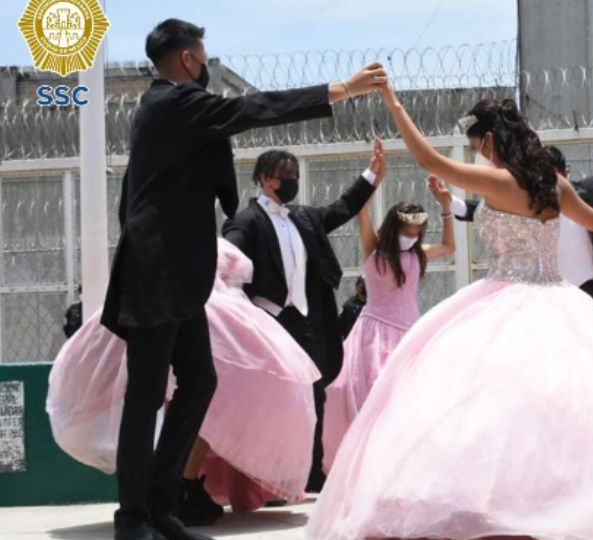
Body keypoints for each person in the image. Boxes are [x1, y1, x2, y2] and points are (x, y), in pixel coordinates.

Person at [306, 89, 593, 539]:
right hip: (558, 298)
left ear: (488, 141)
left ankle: (506, 502)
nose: (474, 153)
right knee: (553, 405)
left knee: (488, 403)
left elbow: (429, 160)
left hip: (506, 295)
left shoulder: (499, 181)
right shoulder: (550, 181)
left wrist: (393, 103)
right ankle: (553, 498)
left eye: (475, 144)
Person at [97, 18, 384, 540]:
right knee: (143, 397)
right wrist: (341, 89)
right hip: (156, 274)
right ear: (188, 59)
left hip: (181, 276)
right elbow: (252, 109)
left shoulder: (175, 113)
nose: (206, 64)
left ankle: (162, 506)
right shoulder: (171, 103)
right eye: (203, 55)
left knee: (200, 381)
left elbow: (140, 191)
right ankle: (133, 518)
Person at [49, 240, 321, 528]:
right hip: (190, 311)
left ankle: (167, 489)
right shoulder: (208, 250)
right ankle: (176, 485)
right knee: (190, 401)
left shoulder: (168, 236)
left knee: (177, 398)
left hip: (164, 307)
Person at [222, 143, 384, 493]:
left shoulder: (304, 217)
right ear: (266, 179)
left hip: (306, 322)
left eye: (295, 176)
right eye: (286, 177)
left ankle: (311, 471)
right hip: (269, 322)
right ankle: (268, 474)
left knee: (315, 394)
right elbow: (230, 257)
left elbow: (342, 208)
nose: (292, 182)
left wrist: (371, 177)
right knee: (274, 399)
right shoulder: (246, 220)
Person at [322, 176, 455, 471]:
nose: (414, 233)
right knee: (365, 394)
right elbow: (362, 213)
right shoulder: (375, 250)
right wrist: (372, 182)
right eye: (409, 227)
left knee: (409, 400)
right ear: (396, 227)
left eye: (418, 229)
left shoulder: (419, 255)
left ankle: (403, 464)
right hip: (373, 334)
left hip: (409, 333)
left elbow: (448, 245)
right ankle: (367, 464)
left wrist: (446, 208)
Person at [451, 146, 593, 308]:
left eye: (555, 177)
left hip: (588, 286)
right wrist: (452, 204)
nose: (552, 186)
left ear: (566, 173)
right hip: (544, 291)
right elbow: (487, 208)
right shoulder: (529, 200)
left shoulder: (590, 190)